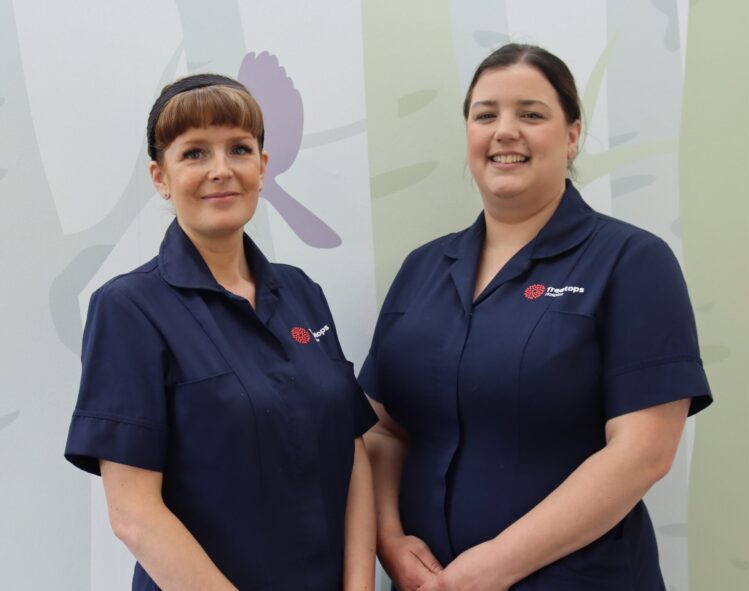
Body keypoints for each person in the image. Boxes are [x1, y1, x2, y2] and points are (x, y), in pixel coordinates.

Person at [359, 44, 712, 591]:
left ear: (572, 134)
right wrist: (389, 542)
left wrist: (489, 568)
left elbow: (642, 453)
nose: (504, 131)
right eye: (485, 114)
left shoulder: (631, 262)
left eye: (530, 114)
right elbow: (383, 430)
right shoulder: (422, 268)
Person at [64, 74, 377, 591]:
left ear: (262, 166)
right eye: (193, 153)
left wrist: (360, 585)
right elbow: (135, 516)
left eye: (239, 148)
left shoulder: (303, 293)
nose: (221, 170)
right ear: (160, 176)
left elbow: (354, 454)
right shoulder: (128, 309)